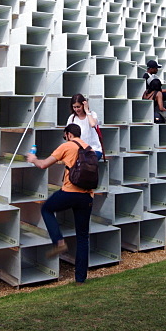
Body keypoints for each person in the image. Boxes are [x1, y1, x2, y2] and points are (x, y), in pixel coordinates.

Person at [26, 124, 93, 284]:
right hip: (87, 196)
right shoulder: (88, 148)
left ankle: (59, 242)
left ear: (69, 134)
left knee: (47, 209)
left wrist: (33, 159)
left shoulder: (66, 146)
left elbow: (43, 165)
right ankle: (80, 279)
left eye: (65, 135)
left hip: (70, 192)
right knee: (83, 237)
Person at [66, 93, 103, 159]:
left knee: (85, 161)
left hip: (94, 149)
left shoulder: (92, 114)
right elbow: (67, 135)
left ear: (83, 105)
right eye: (74, 107)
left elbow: (92, 124)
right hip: (78, 150)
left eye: (78, 107)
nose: (76, 109)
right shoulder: (72, 118)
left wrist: (86, 110)